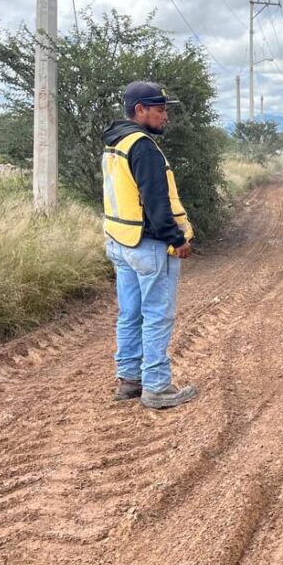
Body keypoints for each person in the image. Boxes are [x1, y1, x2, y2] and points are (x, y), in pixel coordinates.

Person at [102, 81, 199, 409]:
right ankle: (157, 387)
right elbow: (156, 201)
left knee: (130, 313)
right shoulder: (143, 146)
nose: (165, 116)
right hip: (149, 244)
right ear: (139, 110)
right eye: (160, 110)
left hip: (120, 241)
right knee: (157, 314)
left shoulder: (116, 142)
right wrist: (176, 239)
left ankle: (129, 380)